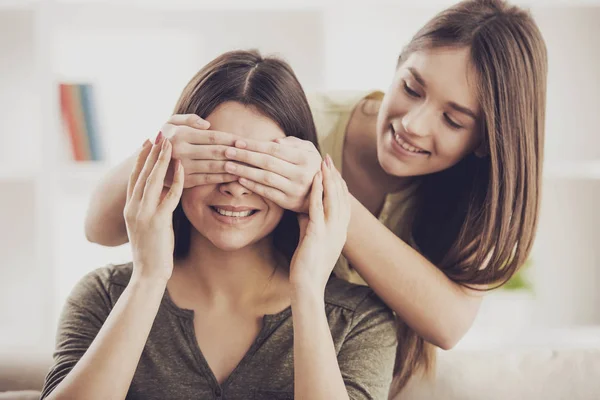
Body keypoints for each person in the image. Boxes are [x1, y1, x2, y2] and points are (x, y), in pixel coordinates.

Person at [83, 0, 548, 391]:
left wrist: (324, 196)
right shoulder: (306, 125)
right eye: (411, 87)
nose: (414, 124)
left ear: (488, 140)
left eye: (454, 120)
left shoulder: (483, 200)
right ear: (398, 65)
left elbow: (448, 323)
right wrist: (164, 150)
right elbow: (99, 227)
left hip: (371, 369)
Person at [41, 51, 397, 400]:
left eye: (261, 167)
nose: (235, 185)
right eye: (214, 161)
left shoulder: (358, 320)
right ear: (173, 166)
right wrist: (148, 278)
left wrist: (307, 291)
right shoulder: (104, 296)